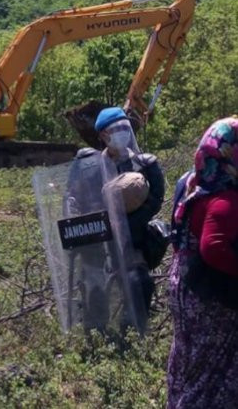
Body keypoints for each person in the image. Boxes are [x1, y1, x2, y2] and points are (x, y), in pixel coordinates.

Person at [65, 107, 164, 333]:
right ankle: (97, 334)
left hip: (131, 240)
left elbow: (155, 199)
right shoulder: (87, 165)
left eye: (124, 127)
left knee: (140, 282)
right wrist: (73, 224)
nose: (122, 133)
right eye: (115, 129)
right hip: (96, 243)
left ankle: (130, 334)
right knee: (94, 289)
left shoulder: (143, 165)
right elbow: (72, 197)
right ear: (102, 135)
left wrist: (130, 222)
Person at [167, 116, 238, 407]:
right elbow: (214, 248)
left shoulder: (191, 182)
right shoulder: (226, 197)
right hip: (212, 299)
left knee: (188, 362)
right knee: (213, 375)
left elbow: (177, 228)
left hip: (183, 283)